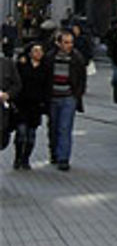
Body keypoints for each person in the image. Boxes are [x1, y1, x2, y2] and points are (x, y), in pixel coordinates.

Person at [45, 29, 87, 171]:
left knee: (65, 128)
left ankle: (64, 158)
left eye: (71, 42)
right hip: (53, 97)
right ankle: (54, 153)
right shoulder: (50, 58)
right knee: (53, 127)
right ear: (58, 43)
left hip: (69, 97)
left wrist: (77, 94)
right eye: (66, 42)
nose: (69, 45)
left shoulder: (77, 58)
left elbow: (82, 78)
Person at [12, 43, 46, 169]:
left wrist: (44, 104)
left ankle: (26, 159)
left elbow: (46, 86)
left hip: (36, 106)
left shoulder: (44, 67)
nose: (38, 53)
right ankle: (17, 157)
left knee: (31, 135)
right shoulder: (22, 65)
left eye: (40, 51)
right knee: (21, 132)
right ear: (30, 53)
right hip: (22, 104)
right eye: (35, 51)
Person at [1, 52, 21, 154]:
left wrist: (8, 94)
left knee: (2, 140)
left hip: (2, 111)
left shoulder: (8, 64)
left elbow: (17, 84)